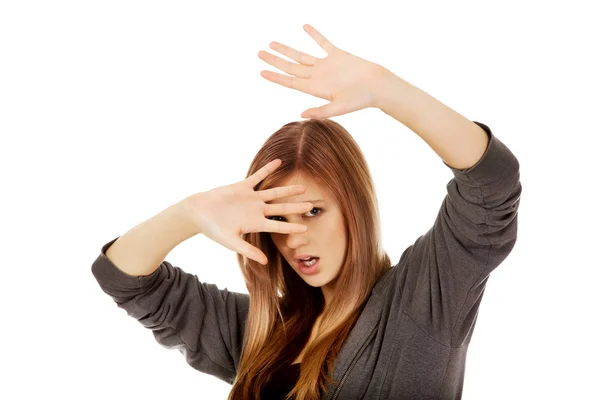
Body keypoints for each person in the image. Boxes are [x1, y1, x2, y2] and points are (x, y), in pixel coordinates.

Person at [91, 24, 521, 400]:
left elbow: (491, 186)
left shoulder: (419, 304)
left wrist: (387, 90)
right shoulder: (259, 331)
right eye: (279, 217)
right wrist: (190, 212)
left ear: (355, 208)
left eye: (314, 210)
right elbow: (124, 279)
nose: (294, 237)